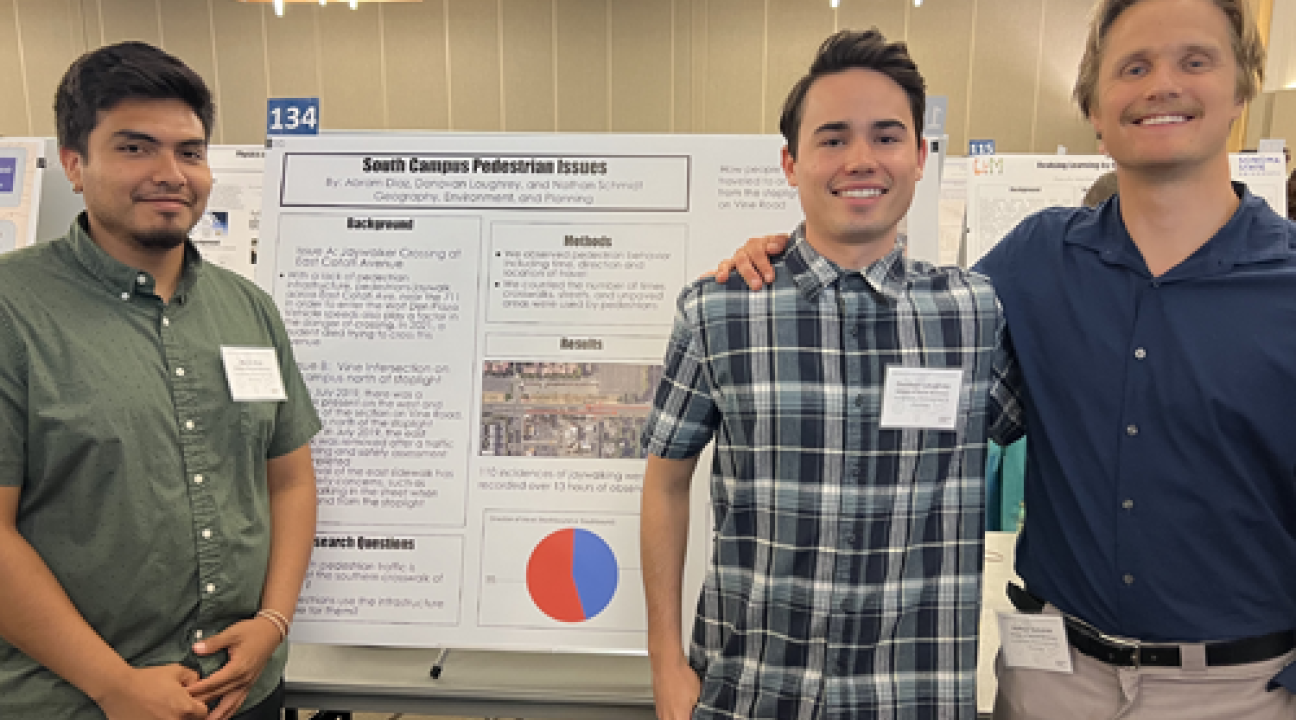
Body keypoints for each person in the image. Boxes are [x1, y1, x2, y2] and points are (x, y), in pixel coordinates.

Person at [718, 0, 1296, 717]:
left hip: (1241, 690)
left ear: (1242, 90)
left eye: (1195, 61)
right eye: (1134, 67)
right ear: (1093, 104)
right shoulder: (1035, 259)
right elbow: (902, 330)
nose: (1161, 85)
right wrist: (792, 263)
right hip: (1052, 678)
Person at [640, 29, 1002, 720]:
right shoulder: (720, 311)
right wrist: (666, 661)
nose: (861, 159)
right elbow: (666, 480)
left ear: (921, 157)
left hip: (911, 695)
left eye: (887, 136)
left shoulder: (976, 313)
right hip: (748, 689)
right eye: (833, 138)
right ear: (791, 162)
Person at [0, 42, 321, 720]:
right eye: (136, 148)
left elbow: (287, 478)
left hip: (244, 692)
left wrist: (272, 623)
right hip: (76, 702)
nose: (171, 174)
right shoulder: (12, 309)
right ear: (74, 165)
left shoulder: (247, 308)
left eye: (191, 151)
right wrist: (115, 684)